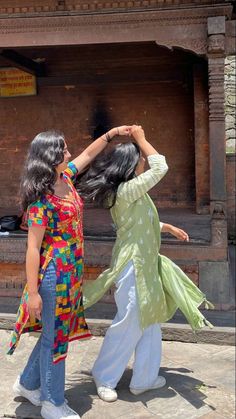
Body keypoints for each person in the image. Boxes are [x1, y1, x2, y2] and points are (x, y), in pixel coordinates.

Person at [79, 125, 213, 403]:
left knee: (150, 321)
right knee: (129, 322)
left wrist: (168, 227)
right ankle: (104, 376)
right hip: (132, 267)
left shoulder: (135, 193)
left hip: (146, 266)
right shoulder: (127, 190)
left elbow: (141, 224)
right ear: (130, 164)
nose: (144, 160)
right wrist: (141, 138)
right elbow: (160, 166)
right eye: (139, 157)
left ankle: (145, 379)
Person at [8, 126, 131, 419]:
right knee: (56, 339)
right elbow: (32, 249)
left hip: (70, 274)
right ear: (50, 155)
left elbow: (88, 154)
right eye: (63, 150)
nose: (69, 153)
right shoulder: (41, 200)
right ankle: (52, 402)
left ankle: (27, 383)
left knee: (53, 334)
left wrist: (111, 134)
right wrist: (33, 293)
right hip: (53, 277)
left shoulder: (65, 178)